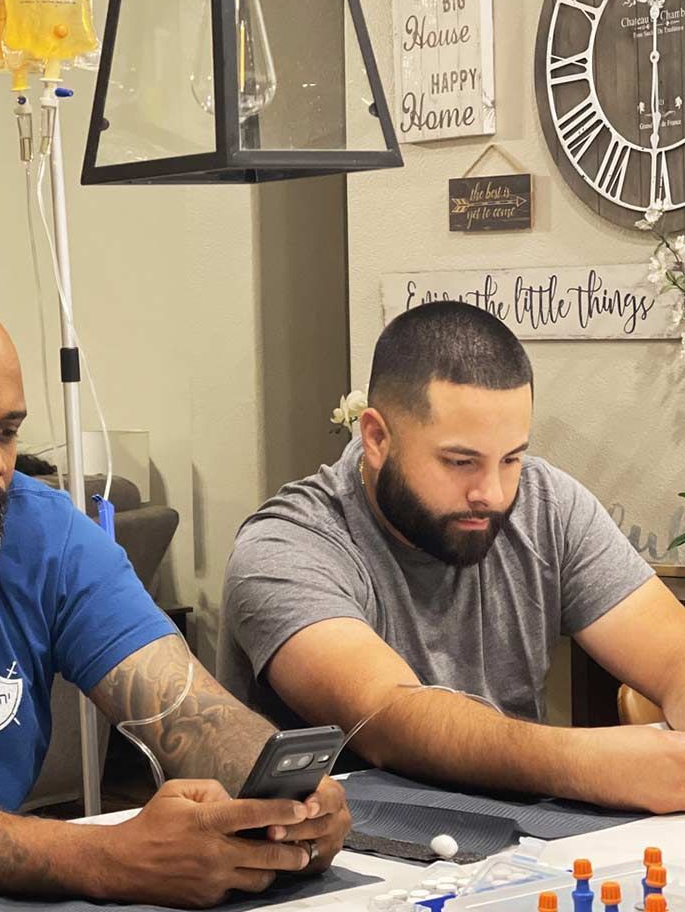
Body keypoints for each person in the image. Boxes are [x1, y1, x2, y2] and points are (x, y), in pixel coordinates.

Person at [0, 288, 349, 907]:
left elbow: (188, 710)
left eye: (6, 432)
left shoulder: (41, 531)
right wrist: (108, 858)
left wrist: (293, 798)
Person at [218, 300, 685, 814]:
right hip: (337, 859)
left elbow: (673, 654)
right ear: (376, 437)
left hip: (519, 843)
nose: (492, 492)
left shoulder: (546, 505)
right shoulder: (285, 546)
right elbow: (388, 717)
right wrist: (587, 762)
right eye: (461, 462)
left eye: (511, 458)